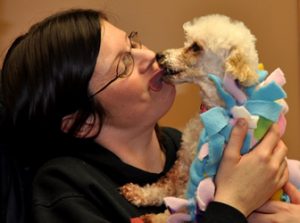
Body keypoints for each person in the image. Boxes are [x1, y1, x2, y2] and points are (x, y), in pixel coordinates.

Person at [0, 8, 294, 223]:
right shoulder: (64, 189)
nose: (149, 56)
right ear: (84, 121)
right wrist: (232, 205)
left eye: (133, 42)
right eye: (123, 64)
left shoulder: (191, 146)